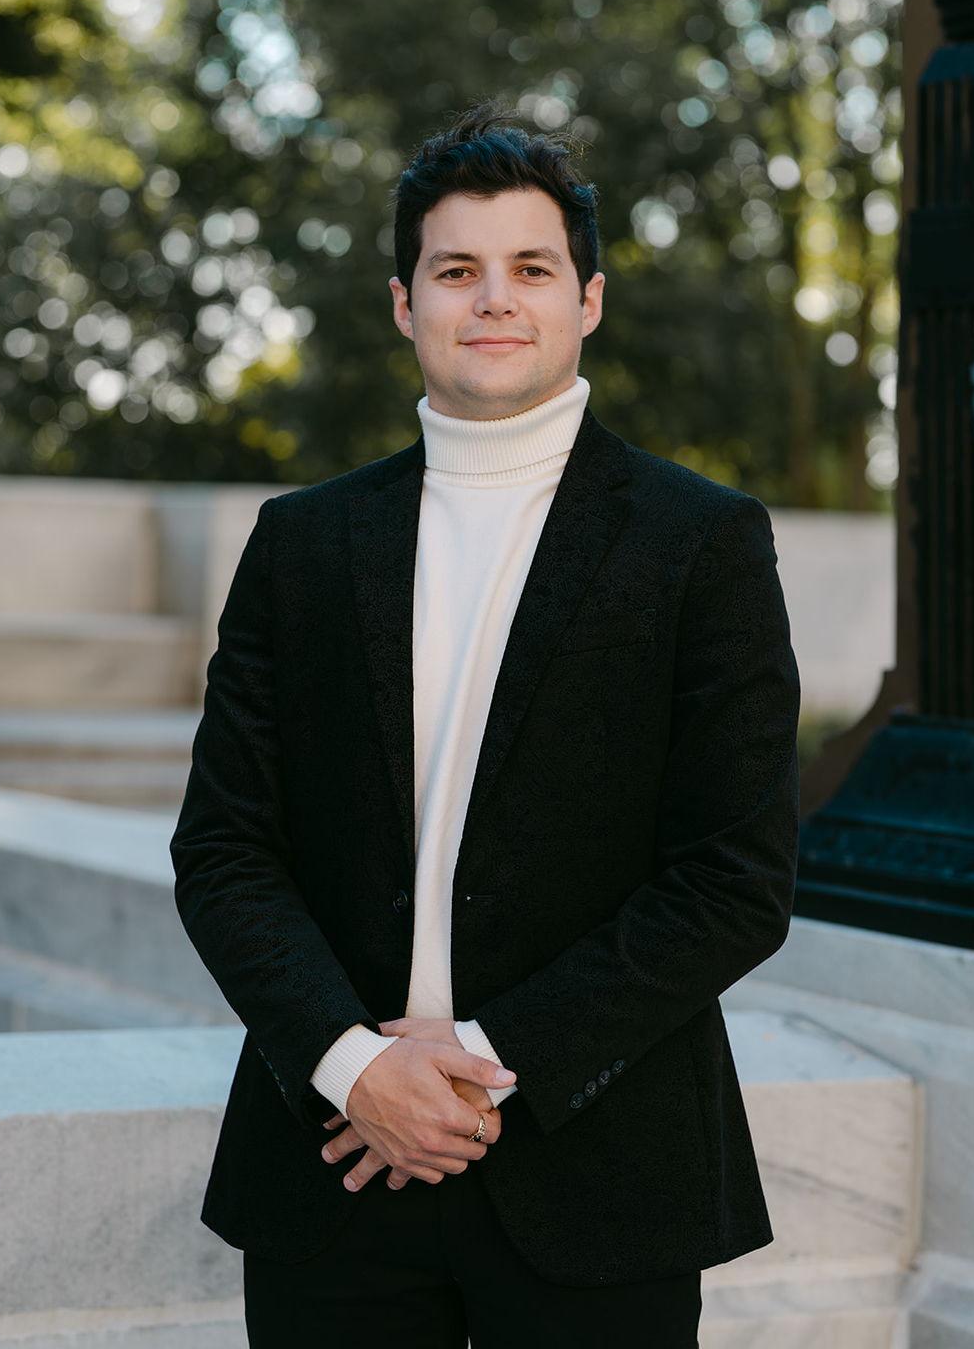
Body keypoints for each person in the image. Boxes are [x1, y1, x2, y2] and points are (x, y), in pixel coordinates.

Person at [169, 100, 802, 1347]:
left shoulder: (702, 544)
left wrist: (484, 1058)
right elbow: (224, 850)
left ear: (590, 300)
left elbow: (734, 880)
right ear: (404, 304)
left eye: (532, 268)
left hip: (598, 1170)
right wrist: (354, 1065)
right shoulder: (301, 544)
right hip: (332, 1166)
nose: (494, 299)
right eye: (456, 270)